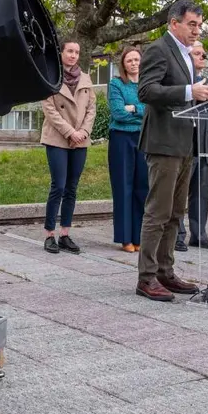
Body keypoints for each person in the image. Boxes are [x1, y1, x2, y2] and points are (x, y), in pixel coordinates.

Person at [135, 0, 208, 301]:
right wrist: (188, 91)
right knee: (157, 212)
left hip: (185, 144)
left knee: (175, 214)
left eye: (199, 24)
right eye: (192, 24)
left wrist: (205, 96)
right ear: (174, 23)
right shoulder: (159, 49)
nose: (197, 30)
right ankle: (146, 278)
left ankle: (165, 272)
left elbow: (187, 97)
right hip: (163, 143)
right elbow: (145, 91)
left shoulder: (185, 55)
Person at [40, 39, 96, 255]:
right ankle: (49, 234)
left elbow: (92, 109)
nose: (73, 55)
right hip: (57, 138)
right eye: (70, 51)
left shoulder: (86, 78)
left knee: (72, 188)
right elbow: (50, 110)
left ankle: (65, 233)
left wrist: (82, 132)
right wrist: (70, 132)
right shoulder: (50, 76)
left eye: (76, 52)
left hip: (80, 139)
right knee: (59, 186)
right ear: (61, 53)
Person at [175, 43, 208, 251]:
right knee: (179, 192)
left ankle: (199, 234)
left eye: (204, 54)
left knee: (201, 191)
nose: (202, 57)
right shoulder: (181, 81)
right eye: (197, 54)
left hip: (203, 144)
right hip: (184, 143)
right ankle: (177, 234)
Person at [107, 45, 148, 253]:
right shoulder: (116, 84)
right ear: (123, 64)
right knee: (124, 187)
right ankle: (125, 238)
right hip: (121, 139)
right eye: (129, 60)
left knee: (142, 187)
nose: (134, 63)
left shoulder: (147, 85)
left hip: (143, 137)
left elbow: (152, 109)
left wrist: (134, 108)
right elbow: (118, 113)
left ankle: (138, 235)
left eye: (137, 59)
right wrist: (139, 111)